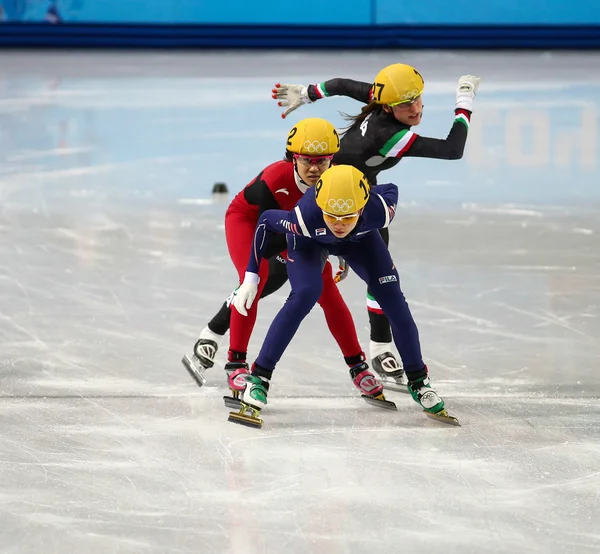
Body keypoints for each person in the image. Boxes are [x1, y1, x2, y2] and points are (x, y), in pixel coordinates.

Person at [270, 64, 481, 390]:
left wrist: (309, 92)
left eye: (416, 100)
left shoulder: (379, 95)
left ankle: (381, 348)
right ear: (387, 106)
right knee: (375, 276)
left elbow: (340, 82)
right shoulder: (392, 136)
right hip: (344, 203)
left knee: (379, 276)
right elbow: (452, 149)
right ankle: (379, 348)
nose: (414, 108)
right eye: (405, 104)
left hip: (345, 191)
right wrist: (464, 102)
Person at [229, 164, 459, 428]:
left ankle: (419, 381)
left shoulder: (381, 210)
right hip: (309, 241)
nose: (339, 224)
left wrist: (348, 250)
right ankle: (259, 377)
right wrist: (251, 276)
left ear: (362, 208)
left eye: (347, 217)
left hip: (361, 240)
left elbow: (389, 189)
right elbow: (266, 221)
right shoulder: (303, 217)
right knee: (306, 293)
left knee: (393, 301)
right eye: (333, 217)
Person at [183, 118, 391, 408]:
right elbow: (263, 228)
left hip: (295, 229)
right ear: (293, 157)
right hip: (252, 222)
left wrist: (342, 251)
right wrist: (251, 275)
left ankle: (358, 367)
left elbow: (345, 220)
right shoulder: (274, 179)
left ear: (333, 159)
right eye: (306, 160)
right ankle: (236, 364)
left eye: (322, 160)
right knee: (257, 279)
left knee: (326, 290)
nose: (314, 168)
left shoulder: (337, 181)